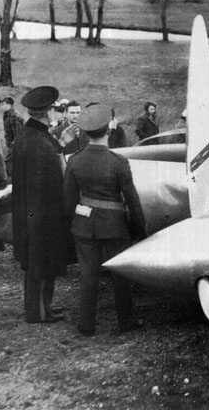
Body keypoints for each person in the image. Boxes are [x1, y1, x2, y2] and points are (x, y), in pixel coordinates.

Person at [63, 104, 147, 336]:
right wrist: (139, 229)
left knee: (88, 275)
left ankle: (86, 325)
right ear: (108, 132)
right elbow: (132, 200)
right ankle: (126, 322)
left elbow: (69, 203)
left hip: (84, 228)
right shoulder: (119, 162)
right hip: (115, 227)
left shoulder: (75, 161)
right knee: (120, 276)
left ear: (86, 133)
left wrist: (80, 219)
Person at [13, 86, 74, 324]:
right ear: (47, 112)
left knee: (39, 263)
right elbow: (51, 178)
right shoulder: (38, 141)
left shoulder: (30, 135)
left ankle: (42, 308)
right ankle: (38, 312)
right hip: (42, 216)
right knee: (40, 264)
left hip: (32, 214)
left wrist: (59, 142)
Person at [0, 96, 24, 175]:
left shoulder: (14, 115)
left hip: (16, 144)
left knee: (9, 162)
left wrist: (13, 147)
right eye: (1, 104)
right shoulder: (6, 115)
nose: (2, 106)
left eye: (4, 104)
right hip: (11, 143)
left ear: (10, 105)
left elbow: (19, 133)